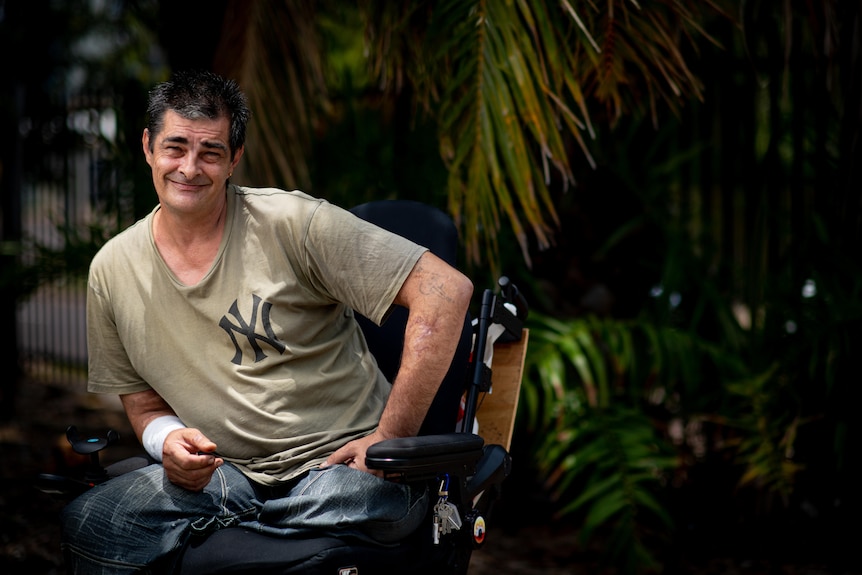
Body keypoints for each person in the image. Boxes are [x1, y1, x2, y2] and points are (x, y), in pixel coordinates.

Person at [60, 69, 473, 573]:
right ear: (147, 146)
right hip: (223, 476)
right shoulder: (112, 269)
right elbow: (143, 405)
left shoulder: (293, 223)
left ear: (234, 159)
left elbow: (448, 291)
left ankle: (242, 526)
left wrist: (389, 436)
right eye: (175, 147)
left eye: (210, 151)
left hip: (336, 474)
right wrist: (166, 441)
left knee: (368, 503)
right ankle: (260, 523)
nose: (190, 168)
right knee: (91, 520)